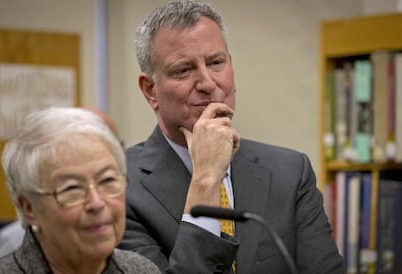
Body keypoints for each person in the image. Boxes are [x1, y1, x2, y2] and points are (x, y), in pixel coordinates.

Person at [118, 1, 345, 273]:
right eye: (183, 70)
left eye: (216, 62)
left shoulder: (291, 172)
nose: (208, 83)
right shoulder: (119, 187)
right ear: (150, 90)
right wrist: (205, 178)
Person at [0, 107, 161, 273]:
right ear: (29, 207)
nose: (96, 203)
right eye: (72, 188)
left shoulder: (141, 270)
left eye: (107, 180)